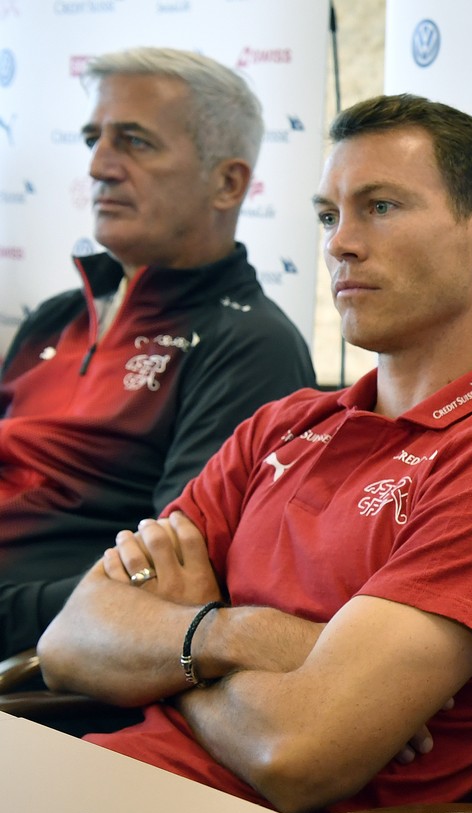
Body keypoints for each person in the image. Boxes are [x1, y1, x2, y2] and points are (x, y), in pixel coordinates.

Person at [37, 94, 472, 813]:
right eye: (330, 215)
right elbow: (69, 640)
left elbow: (296, 757)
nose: (340, 244)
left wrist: (172, 649)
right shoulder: (283, 425)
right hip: (111, 794)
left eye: (381, 207)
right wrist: (238, 632)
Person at [0, 48, 315, 659]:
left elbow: (166, 590)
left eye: (135, 143)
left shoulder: (250, 345)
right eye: (94, 139)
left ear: (228, 182)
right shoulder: (55, 316)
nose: (98, 166)